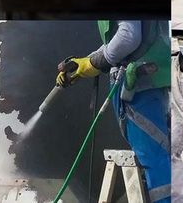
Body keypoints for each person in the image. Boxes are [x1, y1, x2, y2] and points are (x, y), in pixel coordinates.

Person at [57, 20, 171, 203]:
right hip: (153, 76)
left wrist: (94, 63)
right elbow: (117, 38)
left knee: (155, 160)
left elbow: (129, 36)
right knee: (161, 153)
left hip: (139, 84)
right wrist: (85, 64)